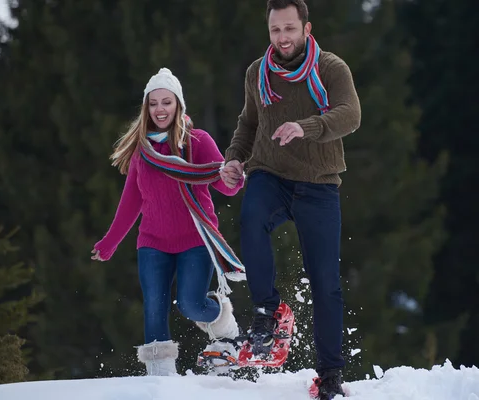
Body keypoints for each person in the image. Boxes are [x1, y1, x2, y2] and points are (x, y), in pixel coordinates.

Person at [220, 0, 360, 398]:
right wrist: (233, 159)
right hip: (270, 173)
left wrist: (307, 127)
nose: (282, 38)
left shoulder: (330, 68)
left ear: (306, 28)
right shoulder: (257, 73)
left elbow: (351, 114)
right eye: (275, 30)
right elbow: (249, 123)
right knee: (251, 218)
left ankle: (330, 375)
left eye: (289, 29)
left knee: (326, 284)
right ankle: (267, 312)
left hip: (318, 183)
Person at [92, 68, 246, 376]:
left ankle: (225, 324)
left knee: (190, 304)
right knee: (154, 309)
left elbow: (222, 183)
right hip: (153, 243)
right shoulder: (142, 152)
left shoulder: (197, 142)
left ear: (178, 105)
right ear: (146, 108)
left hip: (194, 241)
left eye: (166, 102)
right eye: (153, 103)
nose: (160, 109)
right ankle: (160, 382)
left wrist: (234, 177)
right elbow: (131, 202)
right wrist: (109, 243)